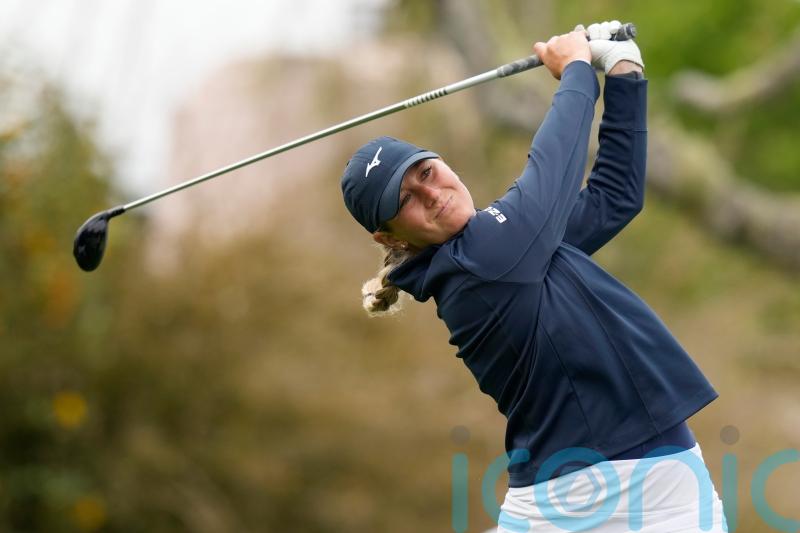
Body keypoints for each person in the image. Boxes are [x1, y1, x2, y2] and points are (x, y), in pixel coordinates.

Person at [340, 21, 727, 533]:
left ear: (443, 163)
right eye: (405, 200)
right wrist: (576, 73)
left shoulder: (512, 246)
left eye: (426, 173)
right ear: (390, 239)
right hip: (633, 495)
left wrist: (624, 71)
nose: (431, 194)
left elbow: (614, 197)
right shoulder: (482, 259)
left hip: (590, 496)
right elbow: (552, 166)